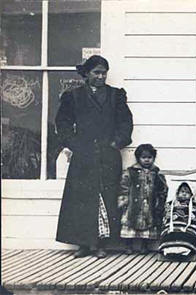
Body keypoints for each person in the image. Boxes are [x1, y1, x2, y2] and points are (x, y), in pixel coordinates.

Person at [55, 55, 133, 258]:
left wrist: (117, 142)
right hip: (84, 154)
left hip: (108, 154)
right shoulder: (73, 97)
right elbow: (62, 123)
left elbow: (125, 122)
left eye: (104, 73)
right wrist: (74, 144)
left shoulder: (116, 96)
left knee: (106, 197)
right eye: (96, 72)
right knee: (82, 198)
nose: (101, 76)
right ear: (86, 74)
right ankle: (83, 244)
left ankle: (102, 244)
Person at [118, 144, 167, 254]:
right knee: (130, 224)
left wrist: (160, 200)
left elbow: (162, 187)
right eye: (143, 157)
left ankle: (144, 246)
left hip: (149, 204)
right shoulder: (131, 172)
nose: (146, 160)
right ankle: (128, 246)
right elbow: (124, 186)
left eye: (149, 158)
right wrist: (124, 199)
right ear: (138, 158)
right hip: (133, 203)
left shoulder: (156, 172)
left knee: (147, 224)